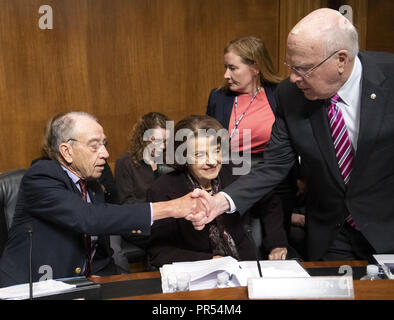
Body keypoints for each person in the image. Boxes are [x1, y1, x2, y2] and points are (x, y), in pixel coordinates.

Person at [190, 8, 394, 261]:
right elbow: (274, 165)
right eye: (290, 65)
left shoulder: (390, 77)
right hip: (333, 234)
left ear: (341, 60)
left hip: (388, 228)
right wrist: (220, 201)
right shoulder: (291, 94)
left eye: (303, 68)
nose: (292, 78)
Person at [0, 112, 204, 287]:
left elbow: (99, 250)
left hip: (82, 284)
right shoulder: (41, 176)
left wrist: (101, 279)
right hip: (32, 286)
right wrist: (171, 207)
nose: (105, 154)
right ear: (66, 151)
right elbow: (88, 219)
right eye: (94, 146)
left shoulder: (93, 186)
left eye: (104, 144)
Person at [147, 115, 288, 268]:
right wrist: (211, 261)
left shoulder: (238, 173)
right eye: (200, 155)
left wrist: (277, 243)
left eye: (217, 151)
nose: (212, 161)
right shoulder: (162, 189)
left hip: (245, 265)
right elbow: (159, 252)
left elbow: (270, 202)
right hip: (196, 272)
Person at [206, 36, 297, 233]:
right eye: (226, 67)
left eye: (233, 68)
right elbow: (208, 143)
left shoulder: (281, 94)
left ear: (255, 67)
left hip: (277, 182)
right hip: (231, 178)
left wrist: (304, 177)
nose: (226, 74)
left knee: (277, 242)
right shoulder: (218, 97)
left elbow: (299, 139)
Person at [115, 112, 170, 205]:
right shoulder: (125, 163)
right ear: (143, 138)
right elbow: (126, 202)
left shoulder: (168, 161)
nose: (163, 146)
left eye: (165, 141)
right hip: (141, 217)